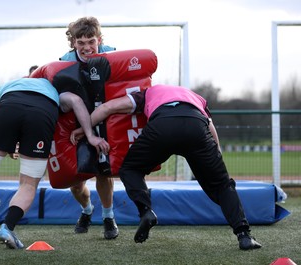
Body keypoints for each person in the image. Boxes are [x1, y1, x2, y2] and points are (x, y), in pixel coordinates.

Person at [71, 84, 262, 250]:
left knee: (130, 169)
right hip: (195, 126)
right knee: (222, 186)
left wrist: (84, 130)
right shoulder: (196, 98)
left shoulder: (148, 93)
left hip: (162, 125)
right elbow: (210, 126)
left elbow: (107, 107)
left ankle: (145, 211)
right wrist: (216, 154)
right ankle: (244, 235)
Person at [0, 77, 109, 249]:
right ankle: (7, 227)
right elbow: (76, 101)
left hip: (8, 107)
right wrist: (90, 136)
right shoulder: (54, 88)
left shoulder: (6, 86)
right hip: (42, 113)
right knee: (28, 185)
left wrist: (5, 144)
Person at [59, 16, 119, 240]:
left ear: (99, 39)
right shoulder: (64, 62)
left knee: (105, 171)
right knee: (76, 183)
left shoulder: (113, 56)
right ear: (73, 42)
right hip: (76, 122)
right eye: (81, 42)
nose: (86, 47)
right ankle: (87, 210)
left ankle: (108, 217)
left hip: (107, 118)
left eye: (91, 41)